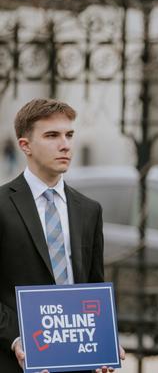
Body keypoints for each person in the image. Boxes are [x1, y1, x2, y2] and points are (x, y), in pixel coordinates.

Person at [0, 98, 125, 373]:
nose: (65, 144)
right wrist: (16, 339)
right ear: (25, 145)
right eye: (52, 135)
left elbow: (93, 285)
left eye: (69, 135)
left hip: (76, 361)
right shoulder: (2, 206)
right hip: (15, 360)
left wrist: (103, 341)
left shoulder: (89, 209)